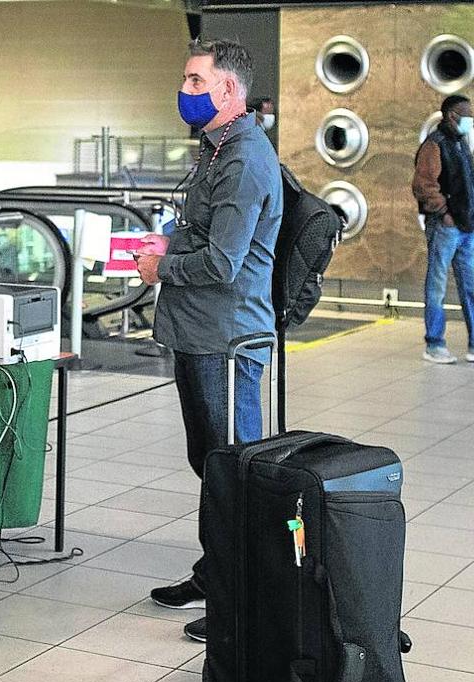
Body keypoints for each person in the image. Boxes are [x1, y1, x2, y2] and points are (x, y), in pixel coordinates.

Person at [134, 39, 282, 644]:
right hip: (200, 333)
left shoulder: (244, 159)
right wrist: (171, 245)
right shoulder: (217, 149)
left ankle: (242, 598)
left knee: (235, 469)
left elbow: (223, 262)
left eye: (197, 82)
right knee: (213, 463)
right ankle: (215, 571)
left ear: (229, 91)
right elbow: (206, 235)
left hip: (228, 338)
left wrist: (160, 269)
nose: (186, 91)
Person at [412, 93, 474, 365]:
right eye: (467, 113)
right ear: (452, 115)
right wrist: (443, 212)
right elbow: (423, 185)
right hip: (446, 227)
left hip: (466, 226)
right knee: (437, 285)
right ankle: (434, 344)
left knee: (470, 285)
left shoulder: (460, 143)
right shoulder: (434, 145)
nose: (470, 119)